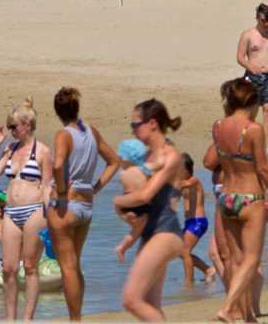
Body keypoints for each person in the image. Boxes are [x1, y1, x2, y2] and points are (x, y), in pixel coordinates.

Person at [45, 87, 119, 321]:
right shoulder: (91, 132)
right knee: (74, 265)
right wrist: (96, 187)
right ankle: (77, 316)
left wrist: (62, 191)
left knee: (67, 266)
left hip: (67, 205)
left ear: (58, 112)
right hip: (86, 205)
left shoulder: (63, 135)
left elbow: (57, 166)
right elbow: (114, 162)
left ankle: (74, 319)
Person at [203, 79, 268, 322]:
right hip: (250, 198)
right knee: (251, 259)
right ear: (251, 102)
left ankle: (247, 317)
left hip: (227, 197)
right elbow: (262, 169)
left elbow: (211, 160)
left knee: (235, 259)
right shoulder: (254, 130)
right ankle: (229, 307)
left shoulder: (218, 126)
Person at [115, 99, 184, 322]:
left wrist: (117, 202)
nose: (133, 131)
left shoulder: (171, 156)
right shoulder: (145, 158)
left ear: (152, 123)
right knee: (150, 304)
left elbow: (146, 196)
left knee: (131, 299)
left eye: (136, 125)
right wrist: (128, 218)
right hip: (149, 235)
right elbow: (140, 203)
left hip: (166, 233)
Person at [0, 98, 53, 321]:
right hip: (11, 213)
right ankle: (10, 318)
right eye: (9, 126)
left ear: (27, 124)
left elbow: (47, 187)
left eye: (14, 126)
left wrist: (50, 218)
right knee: (9, 269)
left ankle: (28, 318)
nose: (11, 130)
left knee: (31, 266)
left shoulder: (42, 151)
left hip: (35, 211)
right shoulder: (10, 149)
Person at [177, 153, 215, 286]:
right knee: (180, 252)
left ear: (187, 169)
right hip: (189, 223)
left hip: (198, 221)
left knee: (184, 251)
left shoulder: (194, 180)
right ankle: (208, 270)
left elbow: (184, 184)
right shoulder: (181, 184)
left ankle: (189, 283)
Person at [235, 3, 268, 117]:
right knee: (250, 111)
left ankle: (265, 135)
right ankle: (248, 134)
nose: (266, 23)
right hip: (253, 76)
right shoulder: (248, 35)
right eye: (263, 20)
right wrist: (251, 67)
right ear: (257, 18)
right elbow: (240, 57)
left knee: (267, 109)